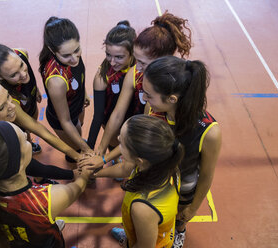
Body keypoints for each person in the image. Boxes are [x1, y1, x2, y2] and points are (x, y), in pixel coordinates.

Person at [142, 56, 222, 248]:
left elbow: (206, 174)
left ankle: (179, 232)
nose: (144, 99)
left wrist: (193, 208)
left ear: (172, 99)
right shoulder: (152, 110)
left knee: (177, 219)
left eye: (149, 95)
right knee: (150, 217)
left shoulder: (209, 132)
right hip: (155, 179)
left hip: (182, 189)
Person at [97, 12, 192, 156]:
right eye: (136, 60)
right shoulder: (136, 72)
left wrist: (107, 159)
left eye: (142, 63)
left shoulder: (180, 83)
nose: (137, 67)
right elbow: (117, 114)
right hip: (145, 135)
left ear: (162, 59)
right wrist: (100, 151)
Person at [0, 76, 80, 183]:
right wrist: (73, 174)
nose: (12, 106)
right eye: (2, 107)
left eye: (8, 96)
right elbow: (32, 167)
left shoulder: (4, 109)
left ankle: (40, 180)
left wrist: (77, 156)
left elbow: (42, 131)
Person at [90, 115, 184, 248]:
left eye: (122, 142)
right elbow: (124, 168)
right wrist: (95, 173)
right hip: (152, 228)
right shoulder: (165, 163)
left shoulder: (142, 208)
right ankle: (132, 234)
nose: (117, 139)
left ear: (139, 160)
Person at [39, 16, 92, 158]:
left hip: (77, 104)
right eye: (66, 55)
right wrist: (86, 149)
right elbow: (65, 121)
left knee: (79, 130)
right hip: (64, 119)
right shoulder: (56, 81)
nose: (74, 59)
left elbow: (77, 76)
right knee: (76, 150)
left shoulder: (71, 58)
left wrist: (84, 93)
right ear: (52, 50)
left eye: (77, 50)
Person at [0, 43, 42, 154]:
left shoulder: (19, 54)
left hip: (29, 101)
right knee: (24, 133)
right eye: (14, 75)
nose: (23, 74)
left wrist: (35, 88)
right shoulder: (5, 94)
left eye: (22, 65)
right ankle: (28, 146)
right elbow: (35, 127)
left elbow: (24, 52)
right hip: (17, 115)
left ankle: (28, 139)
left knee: (32, 118)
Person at [87, 21, 136, 151]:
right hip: (112, 124)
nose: (112, 62)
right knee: (115, 150)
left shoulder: (140, 67)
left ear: (132, 52)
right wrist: (89, 149)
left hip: (137, 122)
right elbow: (97, 117)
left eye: (119, 57)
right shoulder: (102, 77)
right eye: (108, 55)